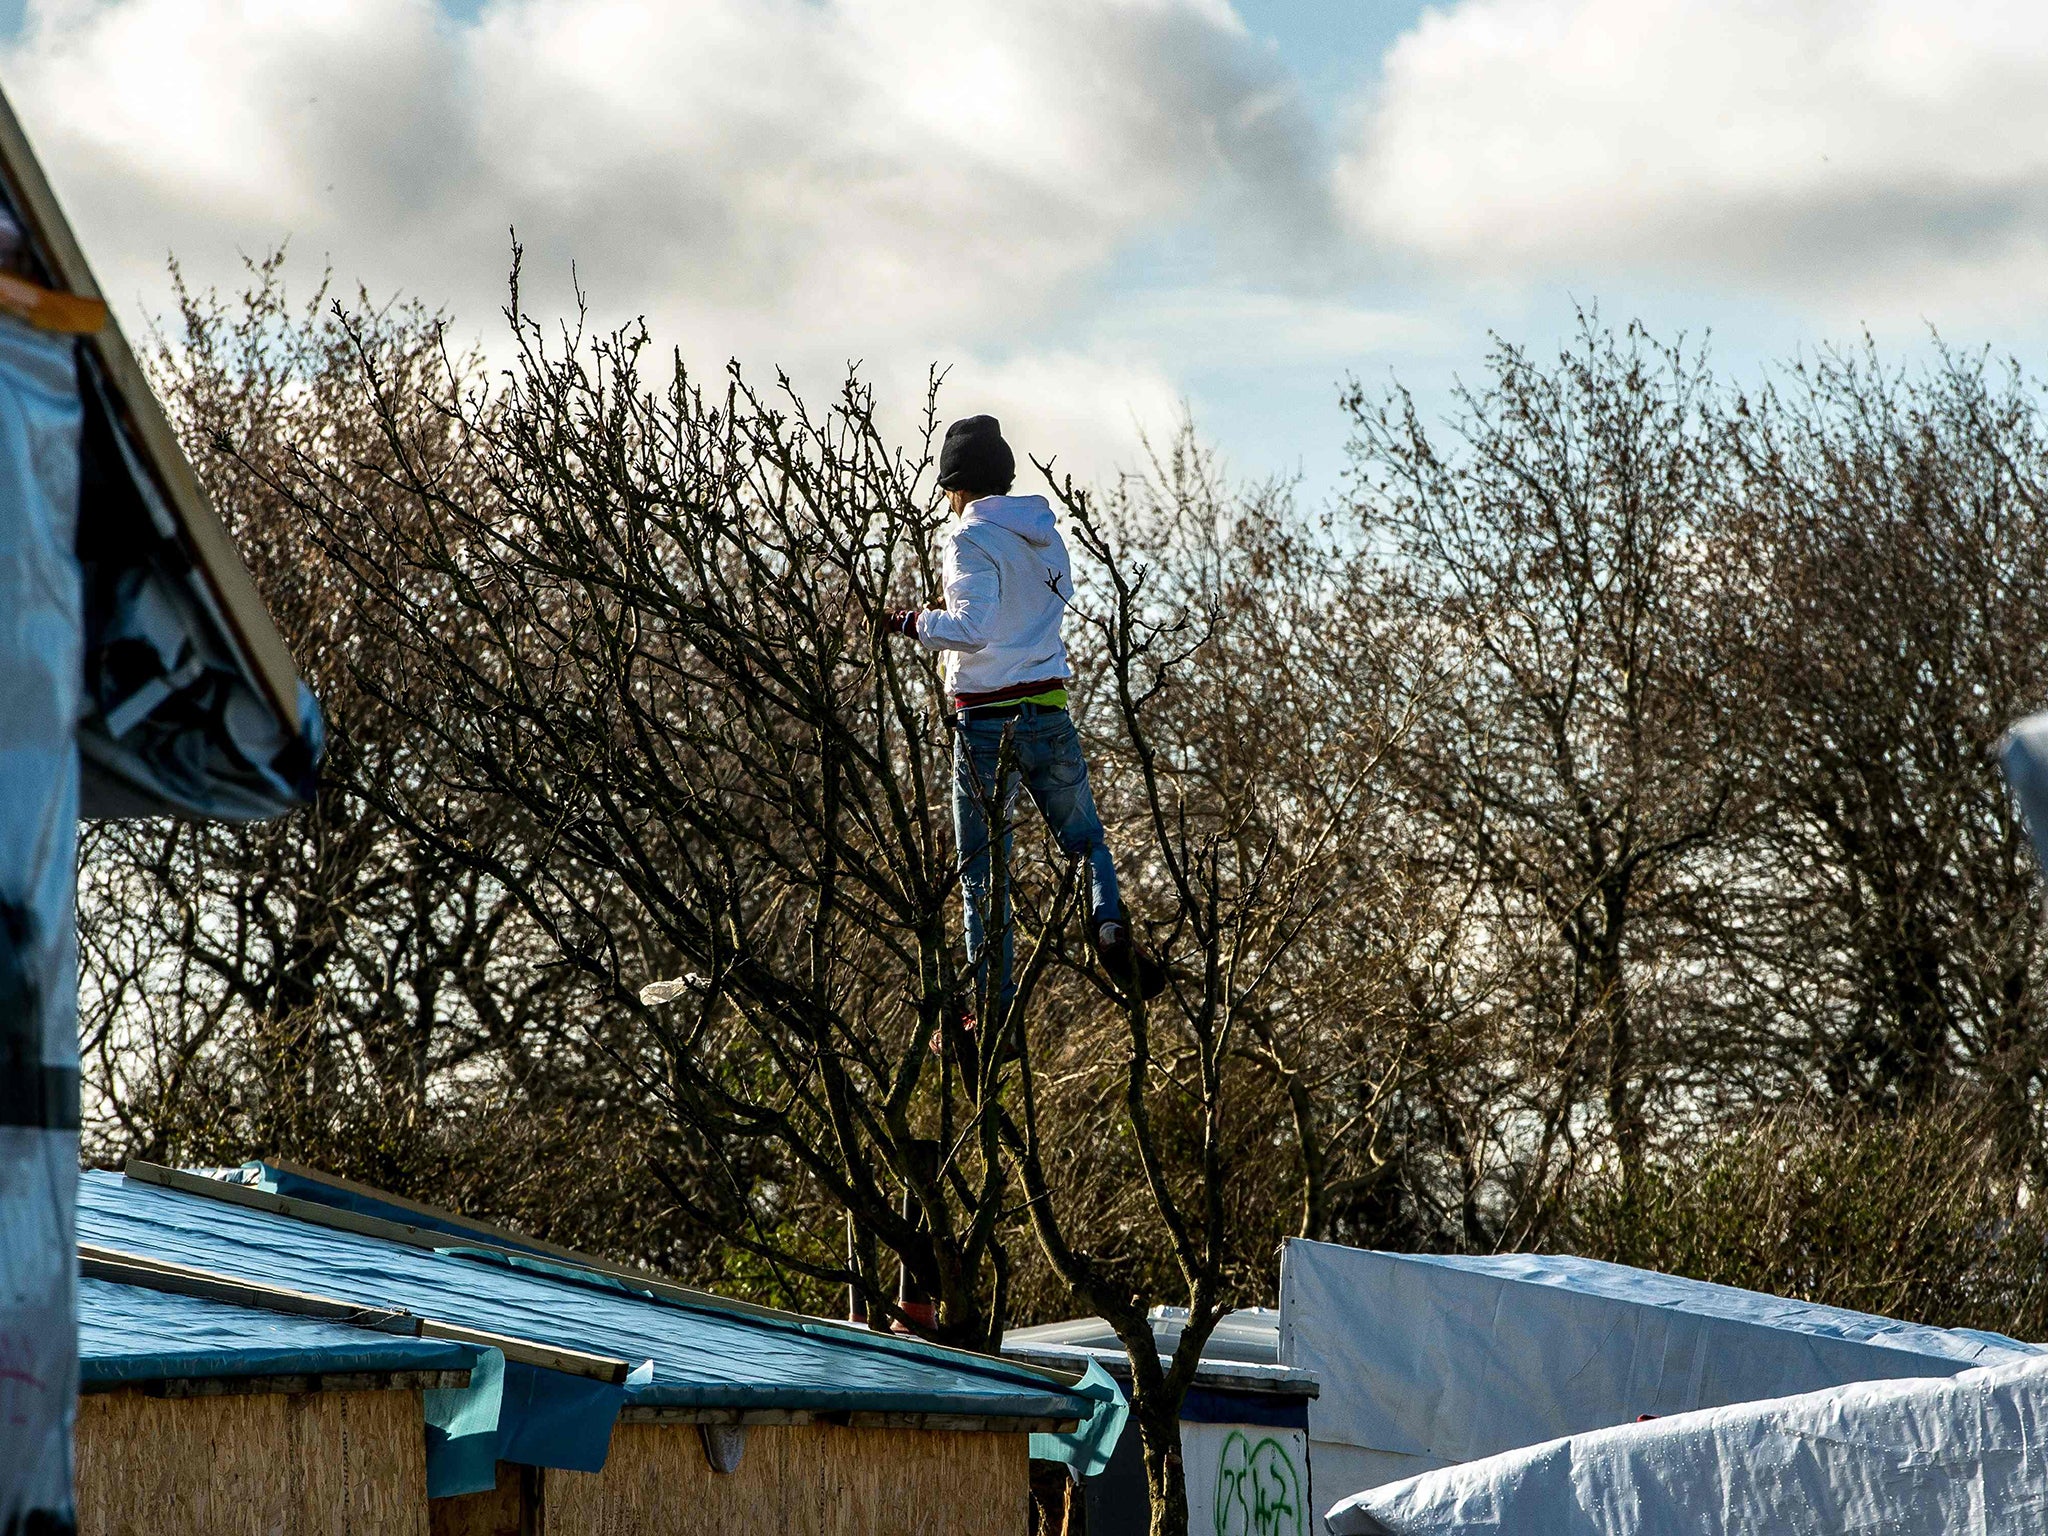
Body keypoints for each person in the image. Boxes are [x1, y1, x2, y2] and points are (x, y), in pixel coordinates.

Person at [884, 414, 1164, 1011]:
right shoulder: (1045, 536)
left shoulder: (966, 539)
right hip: (1048, 710)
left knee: (983, 873)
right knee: (1087, 839)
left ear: (956, 487)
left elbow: (975, 629)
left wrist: (907, 621)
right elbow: (1019, 610)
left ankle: (995, 1011)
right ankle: (1109, 924)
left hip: (987, 723)